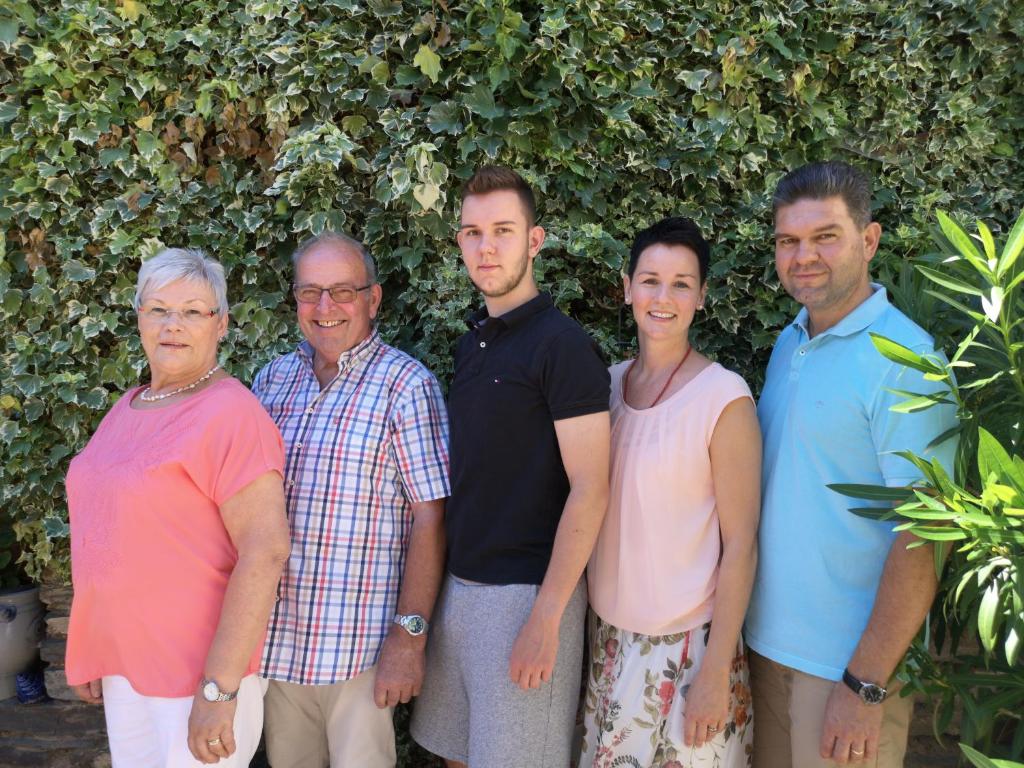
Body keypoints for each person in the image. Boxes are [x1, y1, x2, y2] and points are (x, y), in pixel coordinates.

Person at [745, 161, 958, 767]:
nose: (803, 255)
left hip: (847, 673)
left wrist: (866, 684)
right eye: (789, 240)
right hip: (767, 651)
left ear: (869, 240)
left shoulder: (907, 362)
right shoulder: (791, 341)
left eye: (825, 237)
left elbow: (926, 533)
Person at [411, 166, 611, 768]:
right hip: (461, 590)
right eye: (472, 232)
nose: (486, 246)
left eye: (503, 229)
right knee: (455, 755)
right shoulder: (472, 343)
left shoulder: (563, 347)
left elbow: (591, 489)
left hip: (526, 597)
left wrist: (546, 618)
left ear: (535, 239)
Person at [65, 247, 290, 767]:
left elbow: (266, 550)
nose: (173, 325)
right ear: (139, 317)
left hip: (196, 677)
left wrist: (219, 690)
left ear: (222, 324)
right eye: (158, 308)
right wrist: (96, 647)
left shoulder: (231, 413)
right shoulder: (129, 406)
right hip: (129, 669)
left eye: (193, 311)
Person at [253, 232, 450, 768]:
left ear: (373, 298)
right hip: (276, 648)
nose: (324, 307)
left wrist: (409, 640)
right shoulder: (270, 382)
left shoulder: (406, 386)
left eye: (342, 291)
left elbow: (430, 519)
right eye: (309, 292)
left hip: (359, 652)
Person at [579, 217, 760, 767]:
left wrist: (714, 673)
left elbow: (741, 548)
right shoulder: (603, 386)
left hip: (687, 656)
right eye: (651, 279)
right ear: (627, 286)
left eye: (682, 283)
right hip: (606, 644)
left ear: (702, 296)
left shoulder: (723, 398)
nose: (664, 296)